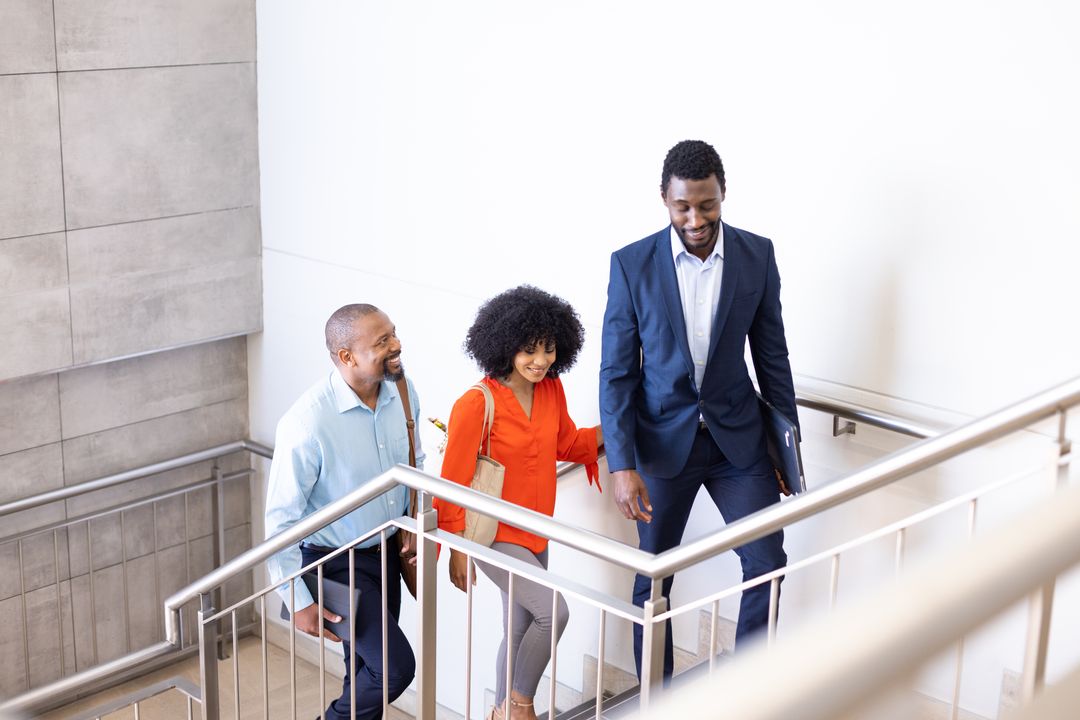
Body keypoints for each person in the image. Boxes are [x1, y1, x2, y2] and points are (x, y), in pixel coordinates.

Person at [599, 140, 799, 680]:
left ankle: (745, 691)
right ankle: (658, 701)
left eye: (706, 205)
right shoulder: (631, 264)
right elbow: (617, 373)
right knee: (654, 577)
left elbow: (771, 355)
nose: (696, 218)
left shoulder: (758, 255)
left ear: (723, 194)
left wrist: (788, 449)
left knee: (766, 565)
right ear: (664, 199)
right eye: (683, 206)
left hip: (739, 443)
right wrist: (621, 465)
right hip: (662, 448)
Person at [435, 286, 602, 720]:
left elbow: (566, 441)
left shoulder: (550, 389)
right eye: (529, 350)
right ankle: (520, 707)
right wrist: (458, 549)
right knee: (554, 613)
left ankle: (496, 712)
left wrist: (622, 428)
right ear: (505, 345)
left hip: (537, 529)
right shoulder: (476, 404)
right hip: (492, 534)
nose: (541, 360)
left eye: (548, 349)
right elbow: (451, 481)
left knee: (521, 626)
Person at [264, 303, 423, 720]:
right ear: (346, 357)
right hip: (336, 563)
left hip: (387, 552)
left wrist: (413, 527)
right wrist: (296, 600)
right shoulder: (306, 423)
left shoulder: (402, 391)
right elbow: (279, 523)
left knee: (365, 669)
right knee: (394, 670)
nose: (396, 345)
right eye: (382, 341)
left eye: (394, 333)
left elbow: (415, 461)